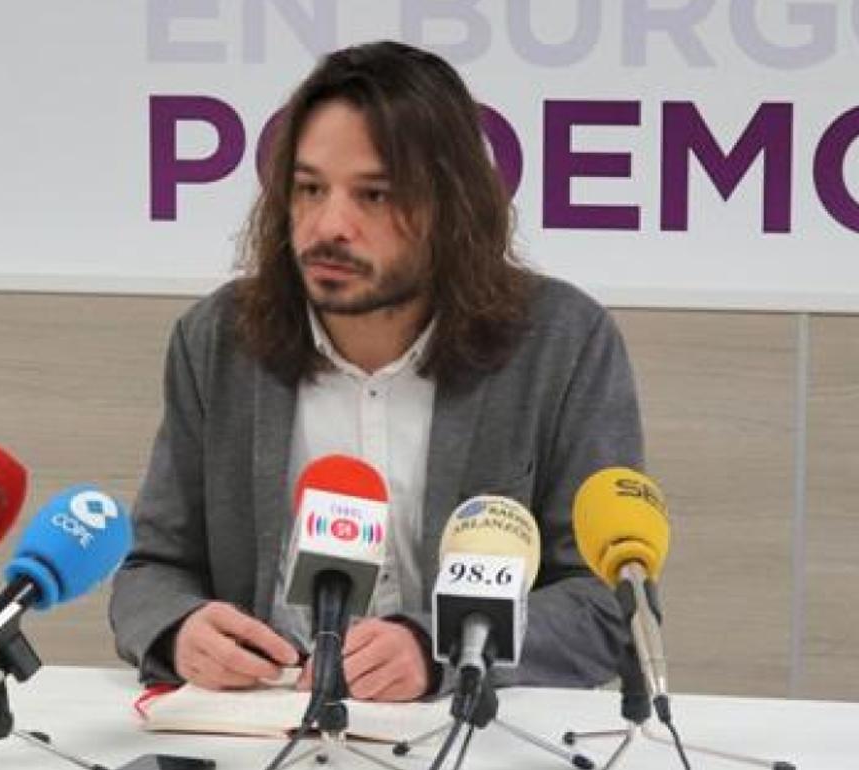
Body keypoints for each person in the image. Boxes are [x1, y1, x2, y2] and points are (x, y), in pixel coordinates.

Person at [109, 40, 640, 703]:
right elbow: (151, 570)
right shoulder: (218, 341)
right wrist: (179, 629)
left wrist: (436, 645)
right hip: (263, 730)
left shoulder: (561, 343)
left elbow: (604, 604)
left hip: (468, 729)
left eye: (375, 195)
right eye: (308, 189)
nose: (329, 225)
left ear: (452, 209)